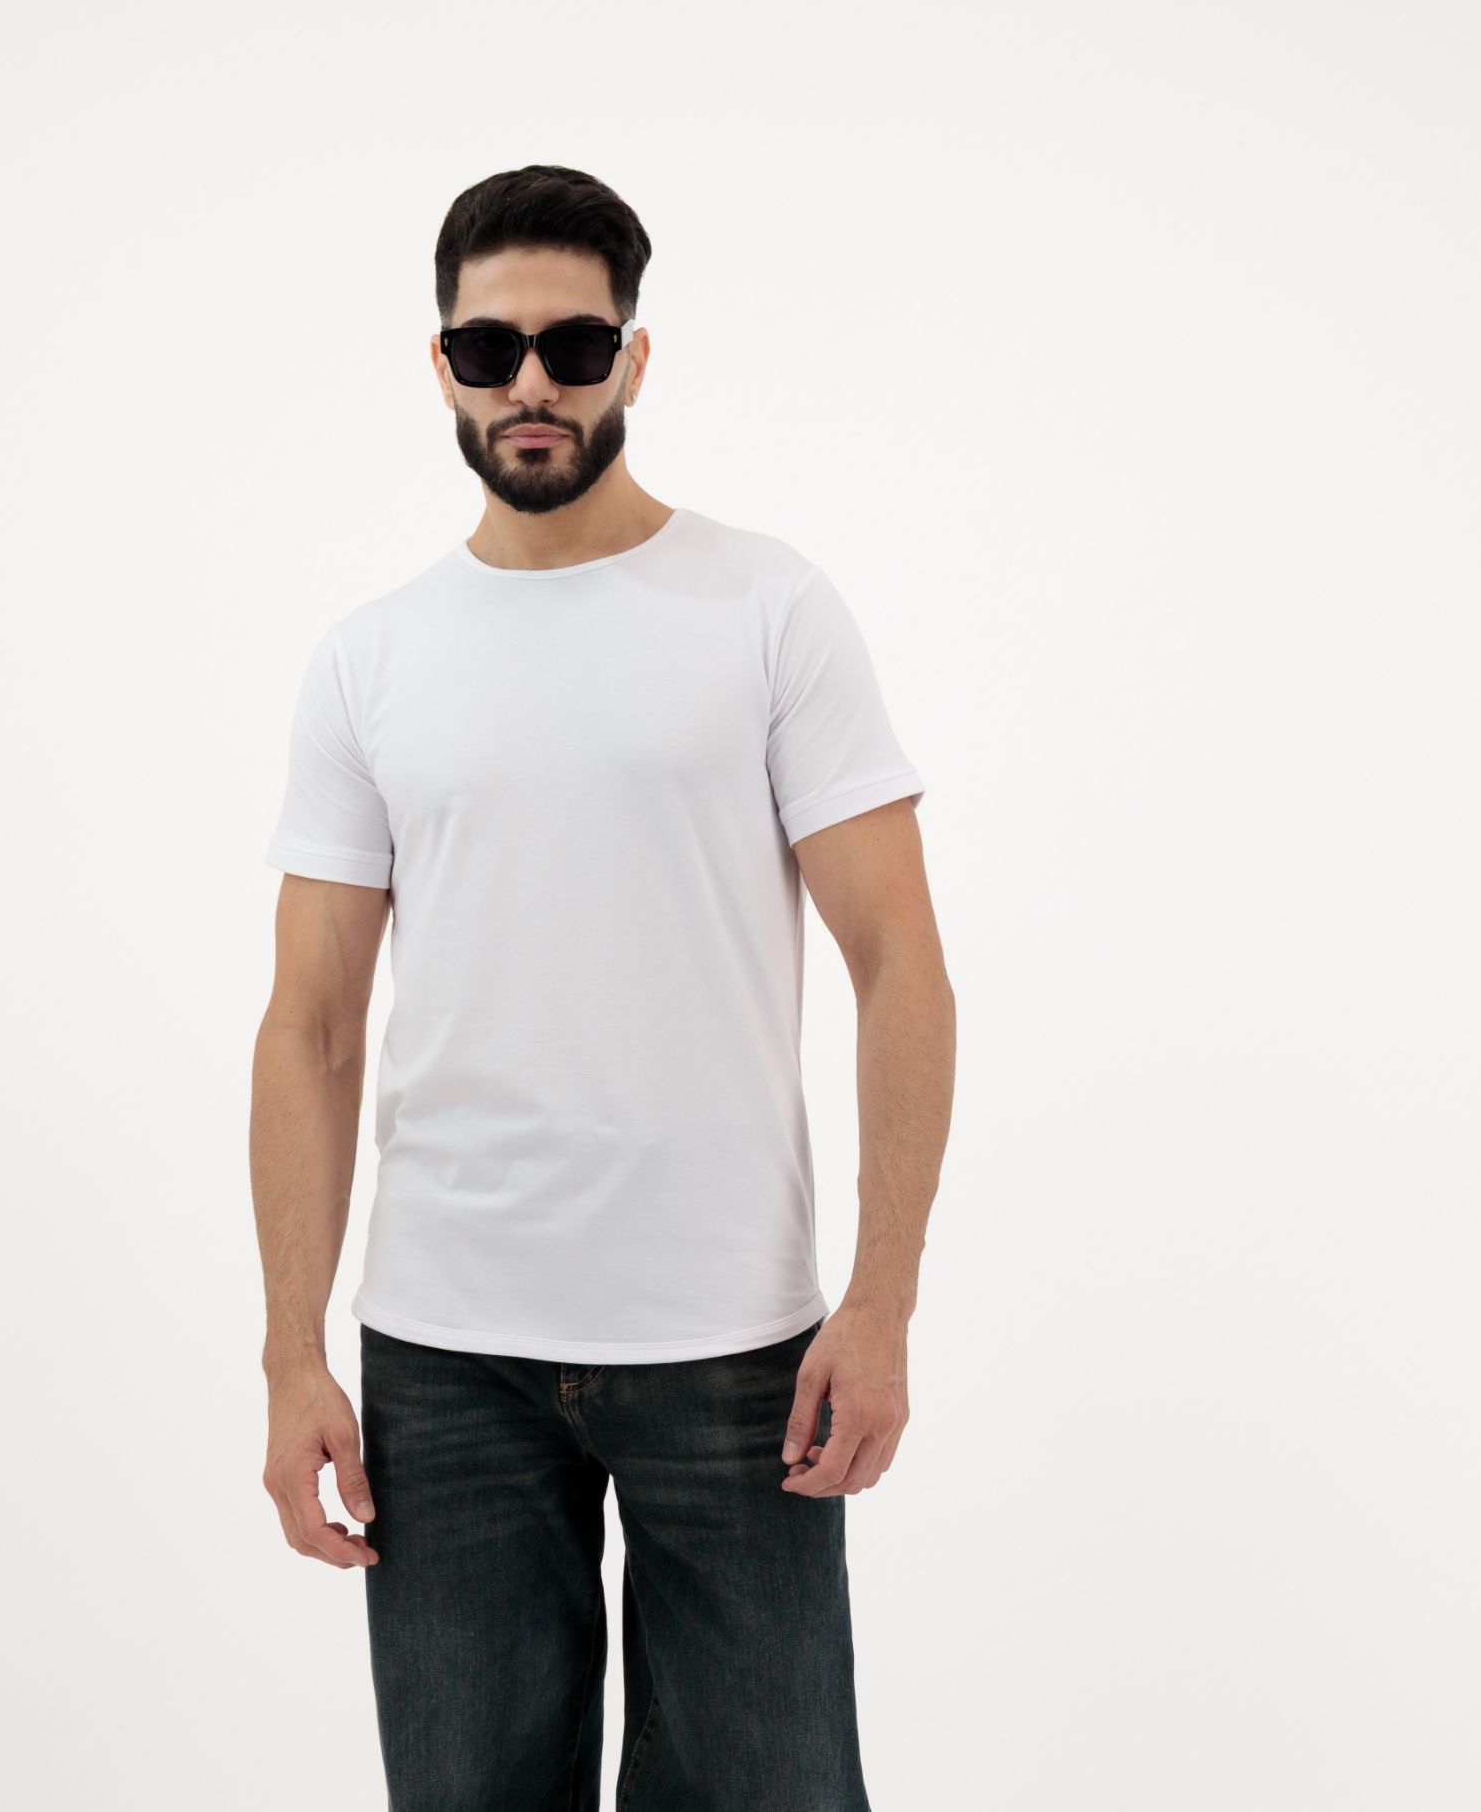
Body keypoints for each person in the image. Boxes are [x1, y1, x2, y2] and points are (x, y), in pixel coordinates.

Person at [252, 163, 955, 1810]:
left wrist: (883, 1300)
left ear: (634, 355)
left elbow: (900, 963)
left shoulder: (766, 608)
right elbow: (311, 1025)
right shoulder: (371, 658)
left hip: (735, 1346)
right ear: (442, 365)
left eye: (573, 345)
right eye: (489, 349)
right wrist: (292, 1352)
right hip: (446, 1354)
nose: (532, 384)